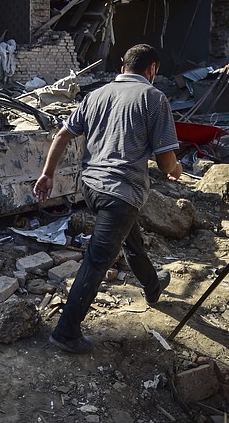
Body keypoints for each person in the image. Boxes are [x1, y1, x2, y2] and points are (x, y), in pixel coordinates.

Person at [33, 44, 182, 354]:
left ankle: (153, 288)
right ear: (152, 69)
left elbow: (62, 135)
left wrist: (47, 173)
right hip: (121, 192)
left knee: (131, 240)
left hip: (92, 188)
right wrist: (175, 168)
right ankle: (66, 332)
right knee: (97, 260)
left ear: (123, 66)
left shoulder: (96, 95)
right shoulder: (154, 98)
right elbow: (167, 160)